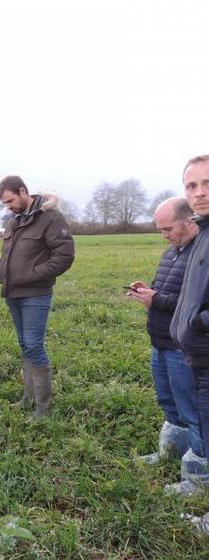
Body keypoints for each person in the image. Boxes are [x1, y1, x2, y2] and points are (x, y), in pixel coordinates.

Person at [126, 197, 206, 495]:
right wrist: (148, 291)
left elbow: (194, 306)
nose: (165, 234)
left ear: (188, 221)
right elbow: (170, 293)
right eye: (160, 230)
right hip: (159, 342)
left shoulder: (201, 255)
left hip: (181, 347)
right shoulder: (171, 252)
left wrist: (155, 299)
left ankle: (197, 481)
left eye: (168, 228)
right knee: (169, 404)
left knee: (193, 411)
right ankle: (171, 454)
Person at [0, 176, 75, 417]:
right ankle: (28, 398)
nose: (8, 206)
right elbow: (7, 254)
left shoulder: (50, 218)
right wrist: (1, 271)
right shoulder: (13, 221)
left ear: (22, 191)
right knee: (24, 346)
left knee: (34, 345)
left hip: (36, 294)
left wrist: (33, 274)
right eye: (5, 203)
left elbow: (64, 255)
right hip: (13, 293)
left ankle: (43, 407)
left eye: (10, 200)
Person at [171, 156, 209, 517]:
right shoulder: (204, 232)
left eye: (208, 183)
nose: (200, 193)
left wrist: (198, 321)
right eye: (192, 186)